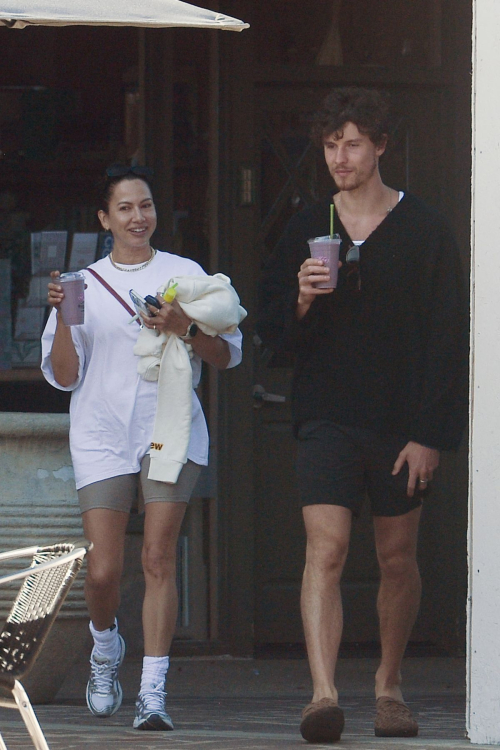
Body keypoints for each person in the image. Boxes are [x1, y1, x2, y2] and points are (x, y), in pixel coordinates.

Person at [257, 88, 468, 743]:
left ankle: (389, 687)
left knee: (397, 558)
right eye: (329, 145)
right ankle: (323, 695)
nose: (339, 157)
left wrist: (431, 434)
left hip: (403, 421)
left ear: (380, 145)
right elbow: (271, 338)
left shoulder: (426, 228)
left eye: (352, 143)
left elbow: (448, 335)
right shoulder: (304, 226)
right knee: (326, 549)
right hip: (326, 413)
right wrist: (298, 299)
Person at [41, 165, 243, 731]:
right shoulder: (81, 283)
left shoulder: (186, 275)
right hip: (102, 432)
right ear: (105, 219)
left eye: (146, 206)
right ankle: (105, 649)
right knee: (103, 570)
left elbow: (228, 355)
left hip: (169, 428)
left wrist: (182, 325)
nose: (138, 217)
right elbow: (63, 376)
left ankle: (153, 693)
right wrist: (60, 317)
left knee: (157, 557)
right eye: (125, 208)